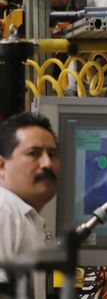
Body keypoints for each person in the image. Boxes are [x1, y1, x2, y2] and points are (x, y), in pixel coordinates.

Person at [0, 112, 60, 299]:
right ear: (2, 166)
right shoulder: (5, 210)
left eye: (52, 154)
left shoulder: (24, 215)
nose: (47, 163)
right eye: (33, 153)